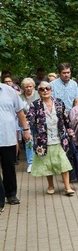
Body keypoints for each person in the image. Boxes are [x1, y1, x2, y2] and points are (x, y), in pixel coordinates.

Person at [27, 82, 75, 197]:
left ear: (51, 90)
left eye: (47, 88)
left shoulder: (59, 103)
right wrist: (27, 130)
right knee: (48, 164)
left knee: (63, 161)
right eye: (42, 89)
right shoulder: (35, 105)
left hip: (59, 138)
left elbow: (66, 119)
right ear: (39, 92)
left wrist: (71, 133)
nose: (45, 91)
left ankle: (67, 187)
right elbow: (30, 120)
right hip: (43, 140)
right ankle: (50, 185)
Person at [1, 79, 31, 210]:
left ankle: (11, 194)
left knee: (8, 167)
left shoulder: (8, 91)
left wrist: (25, 129)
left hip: (7, 137)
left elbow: (20, 111)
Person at [20, 78, 38, 173]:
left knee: (39, 142)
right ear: (23, 88)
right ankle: (30, 163)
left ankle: (40, 162)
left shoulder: (38, 95)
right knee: (29, 143)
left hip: (38, 122)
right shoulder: (20, 97)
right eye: (26, 87)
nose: (29, 88)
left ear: (33, 87)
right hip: (26, 124)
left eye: (30, 86)